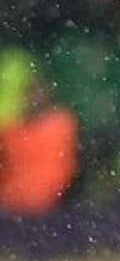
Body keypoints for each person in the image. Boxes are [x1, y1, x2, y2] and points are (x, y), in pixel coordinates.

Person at [0, 48, 79, 214]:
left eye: (36, 89)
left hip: (50, 206)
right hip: (13, 205)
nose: (33, 96)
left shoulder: (61, 123)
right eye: (28, 91)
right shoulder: (11, 132)